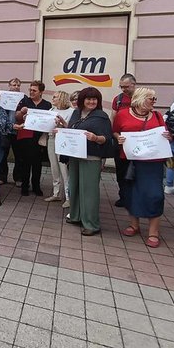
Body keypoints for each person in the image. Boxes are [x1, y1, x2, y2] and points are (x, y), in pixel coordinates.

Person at [113, 88, 171, 248]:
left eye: (154, 99)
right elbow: (115, 131)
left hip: (153, 163)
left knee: (155, 194)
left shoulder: (158, 115)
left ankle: (153, 232)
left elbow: (166, 134)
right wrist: (119, 138)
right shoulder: (122, 114)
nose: (154, 102)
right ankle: (134, 225)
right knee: (131, 192)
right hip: (131, 161)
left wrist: (168, 136)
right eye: (151, 99)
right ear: (140, 99)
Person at [58, 87, 112, 236]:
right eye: (88, 99)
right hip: (75, 156)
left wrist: (95, 138)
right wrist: (63, 129)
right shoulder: (76, 113)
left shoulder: (102, 116)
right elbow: (73, 131)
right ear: (82, 100)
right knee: (74, 187)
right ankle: (75, 216)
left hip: (92, 157)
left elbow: (107, 139)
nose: (91, 101)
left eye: (94, 99)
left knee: (89, 191)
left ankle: (91, 224)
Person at [15, 81, 52, 196]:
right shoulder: (24, 101)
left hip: (39, 137)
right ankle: (24, 186)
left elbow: (49, 120)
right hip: (26, 136)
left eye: (34, 90)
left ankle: (36, 186)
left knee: (37, 163)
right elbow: (17, 117)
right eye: (30, 90)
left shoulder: (47, 105)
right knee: (25, 162)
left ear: (41, 92)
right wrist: (21, 112)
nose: (31, 92)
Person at [44, 90, 74, 205]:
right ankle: (56, 193)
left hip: (63, 141)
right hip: (51, 139)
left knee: (64, 169)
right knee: (54, 167)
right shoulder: (51, 110)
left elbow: (72, 128)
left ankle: (68, 197)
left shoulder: (72, 112)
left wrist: (61, 125)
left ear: (62, 98)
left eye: (55, 97)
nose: (53, 99)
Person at [112, 74, 137, 207]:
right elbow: (113, 119)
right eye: (121, 87)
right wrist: (116, 136)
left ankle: (136, 197)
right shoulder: (118, 99)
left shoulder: (142, 97)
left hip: (138, 143)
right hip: (121, 142)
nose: (123, 89)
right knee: (121, 171)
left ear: (134, 84)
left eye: (126, 86)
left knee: (137, 172)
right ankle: (124, 196)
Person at [0, 77, 26, 186]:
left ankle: (18, 178)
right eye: (14, 85)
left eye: (18, 85)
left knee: (19, 156)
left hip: (18, 131)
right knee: (2, 155)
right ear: (9, 86)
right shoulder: (2, 97)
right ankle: (2, 177)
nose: (16, 87)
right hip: (5, 131)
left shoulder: (24, 98)